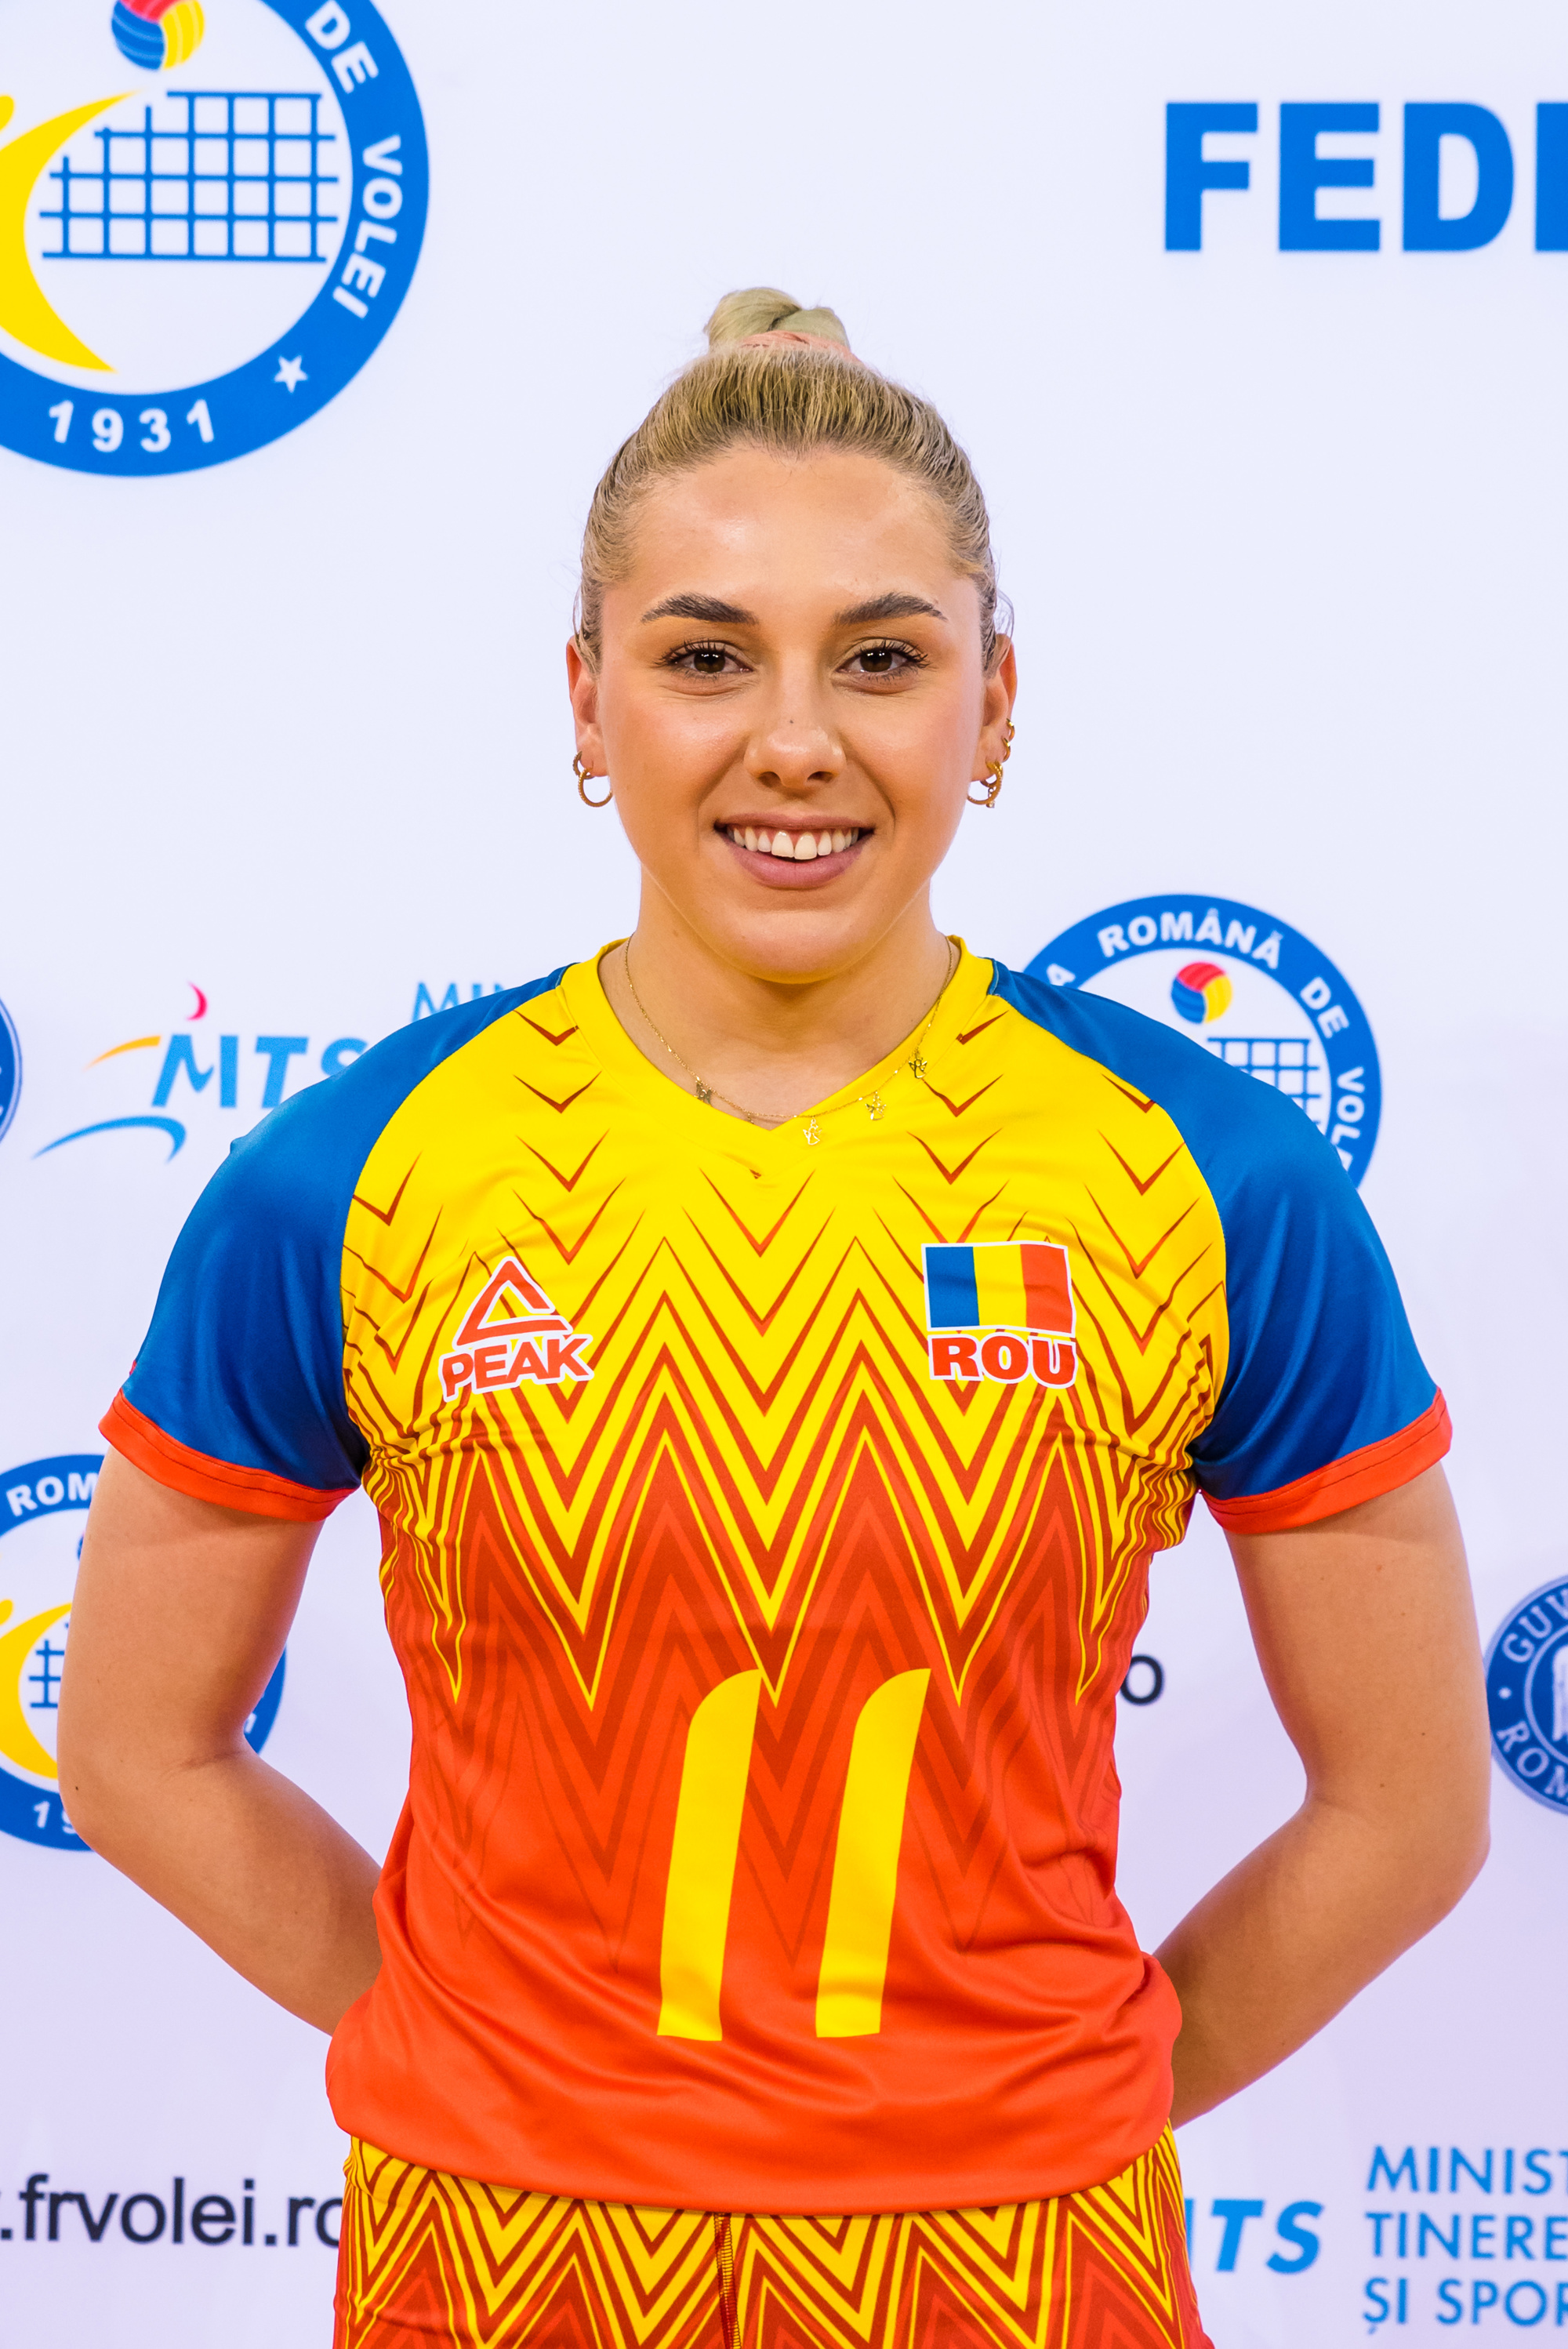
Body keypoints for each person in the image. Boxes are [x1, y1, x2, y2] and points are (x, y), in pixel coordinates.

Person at [59, 289, 1490, 2349]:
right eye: (705, 655)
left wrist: (1057, 2099)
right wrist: (480, 2057)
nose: (796, 739)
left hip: (1032, 2273)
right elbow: (132, 1751)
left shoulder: (1218, 1177)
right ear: (587, 700)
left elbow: (1410, 1811)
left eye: (884, 658)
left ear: (995, 705)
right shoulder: (350, 1175)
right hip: (493, 2273)